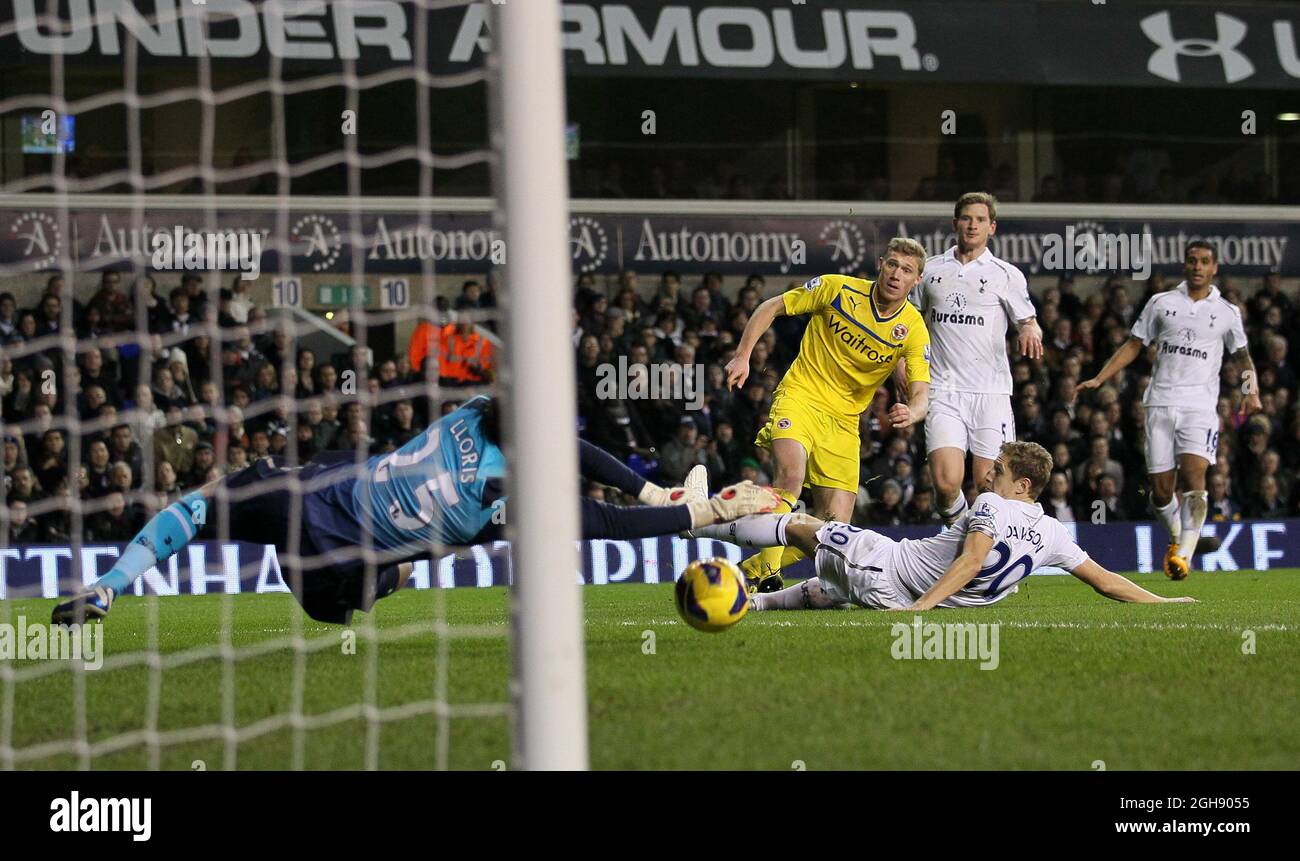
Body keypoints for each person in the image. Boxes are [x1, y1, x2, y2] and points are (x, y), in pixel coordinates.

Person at [53, 397, 779, 626]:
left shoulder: (471, 419)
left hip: (324, 514)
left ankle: (110, 583)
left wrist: (675, 503)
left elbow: (591, 485)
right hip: (328, 517)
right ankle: (108, 584)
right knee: (210, 507)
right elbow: (600, 516)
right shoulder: (503, 496)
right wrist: (692, 513)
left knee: (311, 600)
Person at [693, 441, 1196, 612]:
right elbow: (1106, 581)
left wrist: (922, 607)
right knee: (831, 587)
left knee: (804, 525)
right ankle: (752, 602)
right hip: (889, 590)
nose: (987, 475)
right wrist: (1164, 601)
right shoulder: (1055, 534)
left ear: (1022, 483)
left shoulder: (994, 509)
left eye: (997, 470)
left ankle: (697, 520)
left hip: (890, 569)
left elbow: (973, 558)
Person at [724, 237, 932, 594]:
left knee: (832, 527)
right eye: (892, 264)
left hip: (844, 422)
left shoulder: (912, 328)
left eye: (907, 270)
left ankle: (756, 567)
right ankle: (761, 572)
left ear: (917, 281)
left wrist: (911, 411)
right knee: (790, 476)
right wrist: (743, 355)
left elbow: (922, 392)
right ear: (880, 264)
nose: (897, 274)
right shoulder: (836, 288)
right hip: (801, 396)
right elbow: (771, 307)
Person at [1076, 241, 1257, 579]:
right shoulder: (1161, 303)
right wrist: (1101, 378)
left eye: (1204, 261)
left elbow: (1242, 357)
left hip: (1199, 408)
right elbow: (1134, 344)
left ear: (1214, 267)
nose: (1198, 267)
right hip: (1159, 403)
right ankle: (1179, 539)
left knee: (1195, 477)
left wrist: (1251, 391)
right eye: (1192, 261)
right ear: (1184, 265)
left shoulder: (1227, 312)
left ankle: (1184, 556)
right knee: (1160, 491)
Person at [906, 192, 1043, 527]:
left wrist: (1030, 330)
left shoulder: (1006, 274)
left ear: (992, 227)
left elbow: (1028, 320)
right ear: (955, 223)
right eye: (966, 218)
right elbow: (906, 321)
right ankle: (964, 540)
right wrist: (905, 371)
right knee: (946, 482)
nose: (972, 225)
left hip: (990, 394)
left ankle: (984, 559)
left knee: (990, 484)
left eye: (980, 220)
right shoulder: (932, 270)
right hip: (942, 391)